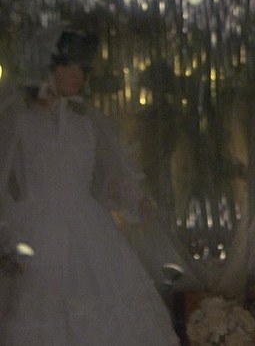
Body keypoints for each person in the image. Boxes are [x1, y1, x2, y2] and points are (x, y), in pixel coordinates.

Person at [0, 31, 180, 345]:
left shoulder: (87, 122)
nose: (77, 75)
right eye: (68, 66)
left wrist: (137, 200)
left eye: (82, 69)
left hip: (89, 230)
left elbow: (116, 171)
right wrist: (8, 237)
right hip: (37, 232)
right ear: (49, 67)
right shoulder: (21, 120)